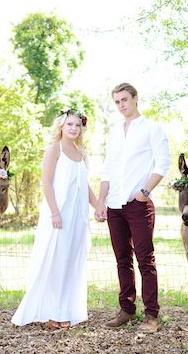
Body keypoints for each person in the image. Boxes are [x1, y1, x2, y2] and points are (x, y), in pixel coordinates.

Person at [12, 109, 97, 330]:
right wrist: (55, 212)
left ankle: (67, 311)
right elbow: (47, 183)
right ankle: (51, 312)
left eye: (77, 125)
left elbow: (84, 185)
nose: (73, 128)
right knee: (55, 260)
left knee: (71, 262)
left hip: (78, 216)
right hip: (58, 215)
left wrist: (97, 205)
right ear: (61, 125)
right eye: (69, 124)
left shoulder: (80, 152)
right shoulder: (54, 149)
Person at [95, 83, 170, 333]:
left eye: (124, 100)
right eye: (116, 102)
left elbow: (162, 164)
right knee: (122, 259)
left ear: (136, 99)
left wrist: (144, 192)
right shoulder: (114, 135)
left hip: (138, 205)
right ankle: (126, 309)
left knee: (145, 259)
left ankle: (151, 315)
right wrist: (100, 202)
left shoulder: (151, 129)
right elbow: (107, 170)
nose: (121, 105)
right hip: (114, 205)